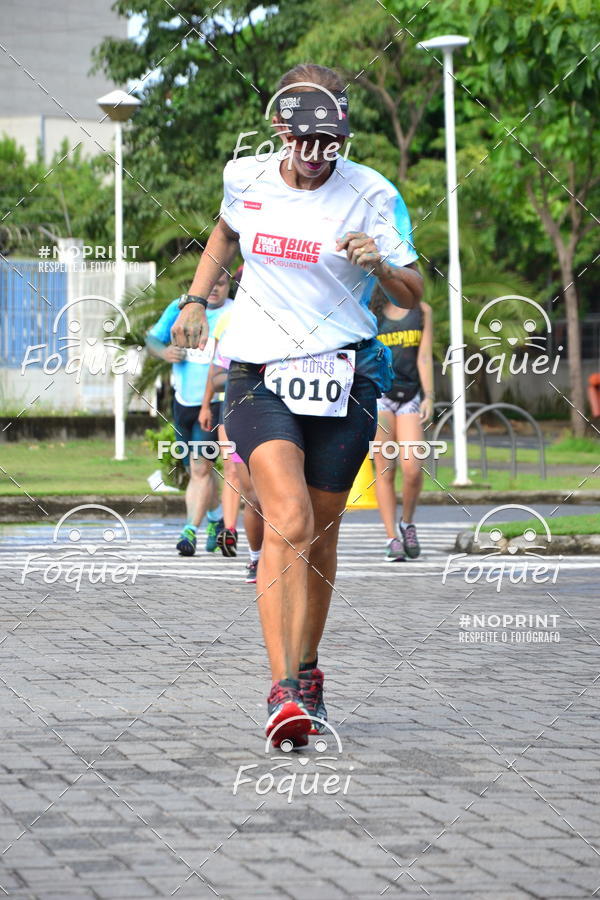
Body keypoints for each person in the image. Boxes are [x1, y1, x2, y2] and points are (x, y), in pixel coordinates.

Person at [171, 63, 422, 747]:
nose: (318, 158)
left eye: (331, 143)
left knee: (320, 531)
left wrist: (379, 265)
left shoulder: (373, 192)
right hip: (258, 370)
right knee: (286, 516)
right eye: (305, 142)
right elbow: (224, 233)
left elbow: (413, 292)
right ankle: (283, 690)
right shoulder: (245, 176)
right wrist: (197, 299)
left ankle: (308, 669)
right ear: (281, 130)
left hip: (347, 372)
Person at [146, 272, 233, 556]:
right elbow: (152, 341)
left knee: (200, 468)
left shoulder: (236, 313)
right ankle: (216, 518)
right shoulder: (180, 308)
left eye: (220, 283)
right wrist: (166, 352)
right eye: (211, 283)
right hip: (183, 401)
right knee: (197, 468)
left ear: (228, 284)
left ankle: (189, 532)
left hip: (215, 402)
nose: (214, 289)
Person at [201, 303, 265, 578]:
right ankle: (255, 558)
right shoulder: (235, 326)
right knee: (252, 496)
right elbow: (215, 377)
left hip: (287, 419)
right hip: (239, 416)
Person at [371, 286, 434, 560]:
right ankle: (391, 538)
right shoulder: (372, 312)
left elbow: (423, 356)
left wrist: (429, 395)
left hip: (410, 396)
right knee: (385, 468)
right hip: (381, 395)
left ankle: (406, 523)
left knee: (413, 467)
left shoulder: (422, 311)